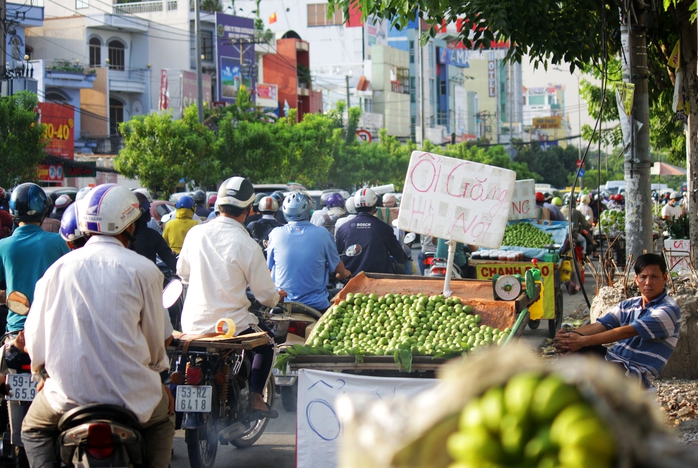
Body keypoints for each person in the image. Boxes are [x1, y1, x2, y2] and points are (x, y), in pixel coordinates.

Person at [22, 183, 175, 467]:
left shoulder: (56, 270)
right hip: (136, 400)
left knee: (32, 430)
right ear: (130, 224)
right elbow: (158, 344)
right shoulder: (145, 271)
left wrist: (40, 373)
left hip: (65, 399)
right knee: (163, 420)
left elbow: (34, 342)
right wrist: (158, 377)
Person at [177, 177, 286, 417]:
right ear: (248, 210)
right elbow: (265, 296)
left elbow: (183, 273)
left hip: (192, 324)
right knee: (266, 345)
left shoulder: (196, 233)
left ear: (218, 206)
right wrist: (276, 298)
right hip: (230, 327)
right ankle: (257, 399)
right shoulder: (247, 244)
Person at [554, 254, 680, 388]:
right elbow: (600, 325)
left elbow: (627, 331)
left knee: (587, 365)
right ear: (637, 280)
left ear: (665, 278)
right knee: (569, 349)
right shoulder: (629, 304)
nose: (648, 282)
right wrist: (569, 337)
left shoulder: (668, 310)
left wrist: (582, 341)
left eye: (654, 277)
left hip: (634, 373)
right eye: (643, 277)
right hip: (613, 358)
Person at [267, 192, 350, 313]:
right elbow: (337, 266)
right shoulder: (322, 234)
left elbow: (269, 268)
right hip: (316, 305)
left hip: (282, 303)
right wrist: (345, 273)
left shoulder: (275, 233)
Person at [335, 187, 408, 277]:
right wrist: (403, 259)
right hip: (378, 280)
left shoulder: (343, 228)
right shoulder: (384, 228)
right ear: (374, 205)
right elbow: (398, 253)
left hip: (350, 280)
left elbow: (336, 255)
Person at [133, 192, 177, 272]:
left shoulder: (121, 237)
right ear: (145, 211)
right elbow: (173, 264)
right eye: (149, 209)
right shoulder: (152, 236)